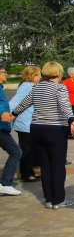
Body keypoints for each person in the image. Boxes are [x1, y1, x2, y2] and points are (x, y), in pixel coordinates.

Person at [8, 62, 74, 208]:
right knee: (57, 165)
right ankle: (59, 199)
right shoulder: (59, 88)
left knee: (45, 165)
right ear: (59, 73)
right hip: (55, 129)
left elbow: (24, 103)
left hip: (37, 129)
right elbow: (65, 105)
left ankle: (49, 199)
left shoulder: (36, 87)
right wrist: (72, 119)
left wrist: (13, 114)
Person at [9, 66, 41, 183]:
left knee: (31, 149)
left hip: (29, 123)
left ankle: (30, 171)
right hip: (24, 123)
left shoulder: (30, 86)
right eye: (38, 75)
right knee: (26, 149)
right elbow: (15, 102)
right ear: (33, 76)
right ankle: (25, 174)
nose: (40, 77)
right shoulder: (26, 87)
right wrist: (7, 114)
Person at [0, 65, 23, 195]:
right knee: (16, 152)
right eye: (4, 72)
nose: (6, 74)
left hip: (3, 126)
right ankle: (5, 183)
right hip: (0, 127)